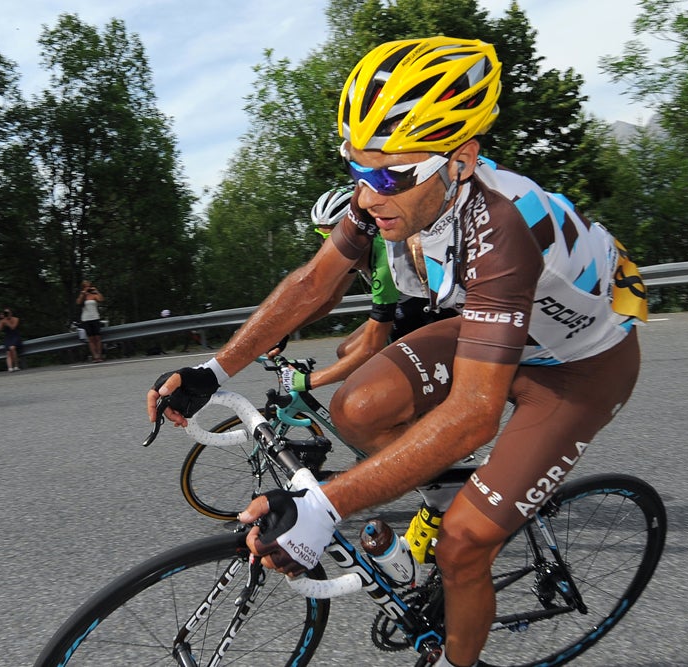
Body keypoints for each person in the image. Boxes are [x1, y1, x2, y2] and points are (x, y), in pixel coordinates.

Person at [148, 36, 648, 667]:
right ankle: (444, 500)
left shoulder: (503, 227)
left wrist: (323, 506)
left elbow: (474, 415)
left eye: (387, 176)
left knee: (462, 546)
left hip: (579, 369)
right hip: (511, 331)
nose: (366, 196)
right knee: (358, 408)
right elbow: (314, 283)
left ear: (461, 161)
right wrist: (212, 369)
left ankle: (461, 611)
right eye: (356, 169)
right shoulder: (395, 193)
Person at [277, 184, 456, 393]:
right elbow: (330, 298)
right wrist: (284, 331)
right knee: (345, 351)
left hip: (434, 313)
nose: (328, 246)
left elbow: (370, 348)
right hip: (406, 307)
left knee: (366, 360)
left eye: (333, 237)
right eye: (321, 237)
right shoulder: (355, 250)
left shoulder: (384, 260)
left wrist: (308, 381)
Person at [77, 280, 105, 362]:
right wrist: (83, 294)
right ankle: (95, 356)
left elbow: (101, 299)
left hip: (95, 318)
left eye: (89, 286)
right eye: (86, 286)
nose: (88, 287)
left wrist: (97, 291)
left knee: (98, 337)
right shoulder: (83, 295)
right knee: (91, 339)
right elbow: (78, 302)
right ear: (83, 287)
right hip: (86, 319)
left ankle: (99, 355)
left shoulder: (94, 295)